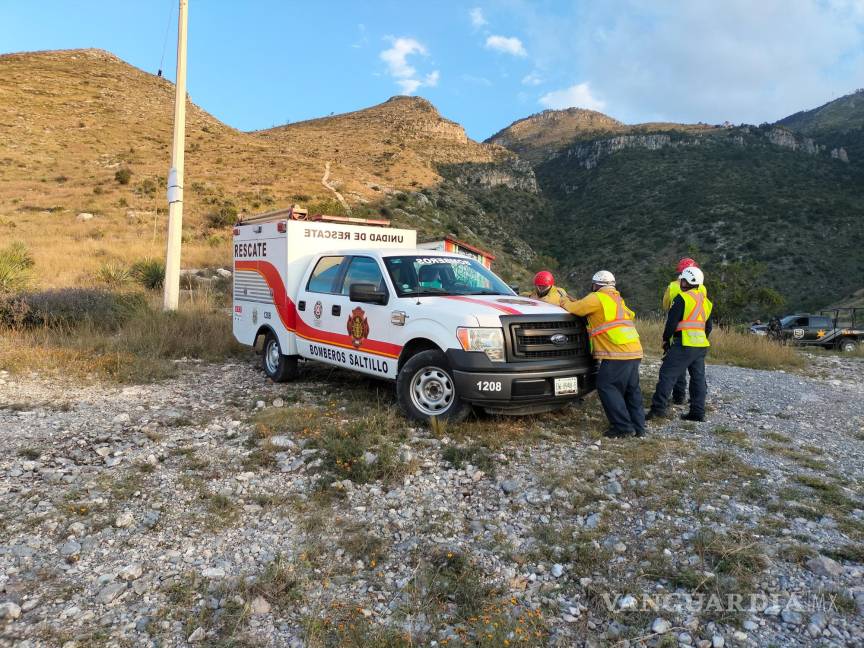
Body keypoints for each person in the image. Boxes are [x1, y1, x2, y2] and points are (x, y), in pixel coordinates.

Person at [557, 270, 645, 438]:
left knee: (607, 386)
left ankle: (622, 427)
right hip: (634, 349)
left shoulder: (596, 297)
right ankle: (639, 427)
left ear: (596, 285)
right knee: (631, 390)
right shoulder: (618, 299)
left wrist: (563, 300)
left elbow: (575, 308)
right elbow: (630, 315)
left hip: (617, 352)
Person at [647, 266, 714, 423]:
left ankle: (658, 410)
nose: (680, 282)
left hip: (683, 343)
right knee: (698, 379)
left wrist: (666, 339)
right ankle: (697, 412)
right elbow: (708, 326)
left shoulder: (681, 298)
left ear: (687, 281)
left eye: (682, 279)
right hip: (700, 346)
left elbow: (671, 323)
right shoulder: (706, 302)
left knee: (667, 374)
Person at [662, 257, 707, 405]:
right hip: (699, 336)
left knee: (674, 368)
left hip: (679, 332)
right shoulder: (703, 289)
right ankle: (697, 407)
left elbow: (666, 306)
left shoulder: (673, 287)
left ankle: (677, 397)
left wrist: (665, 337)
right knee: (698, 376)